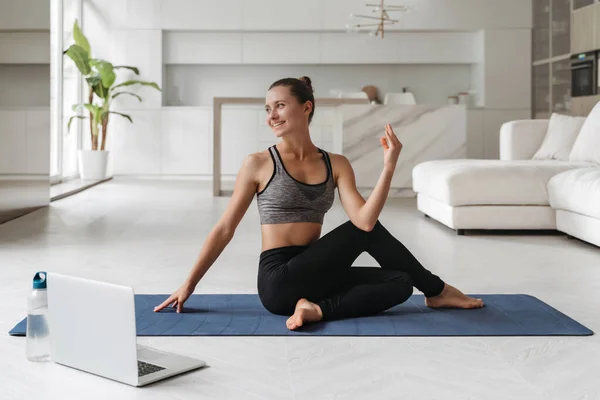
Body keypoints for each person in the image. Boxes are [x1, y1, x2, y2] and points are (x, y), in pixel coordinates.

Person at [154, 76, 484, 330]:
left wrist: (388, 166)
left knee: (399, 282)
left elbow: (366, 218)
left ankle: (317, 310)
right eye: (268, 109)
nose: (272, 115)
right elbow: (225, 227)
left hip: (317, 275)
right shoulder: (258, 163)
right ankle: (438, 291)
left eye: (280, 106)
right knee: (362, 233)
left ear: (306, 107)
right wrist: (188, 284)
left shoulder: (336, 163)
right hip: (279, 280)